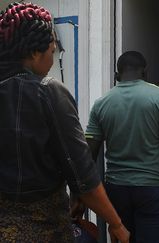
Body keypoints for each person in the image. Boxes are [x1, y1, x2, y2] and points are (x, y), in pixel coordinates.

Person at [0, 2, 129, 243]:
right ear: (34, 53)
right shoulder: (47, 91)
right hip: (42, 230)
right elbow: (83, 175)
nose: (52, 57)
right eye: (52, 50)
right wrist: (116, 224)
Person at [85, 51, 159, 243]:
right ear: (145, 73)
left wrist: (81, 197)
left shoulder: (101, 104)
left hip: (116, 189)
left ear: (117, 74)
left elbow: (88, 156)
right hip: (153, 189)